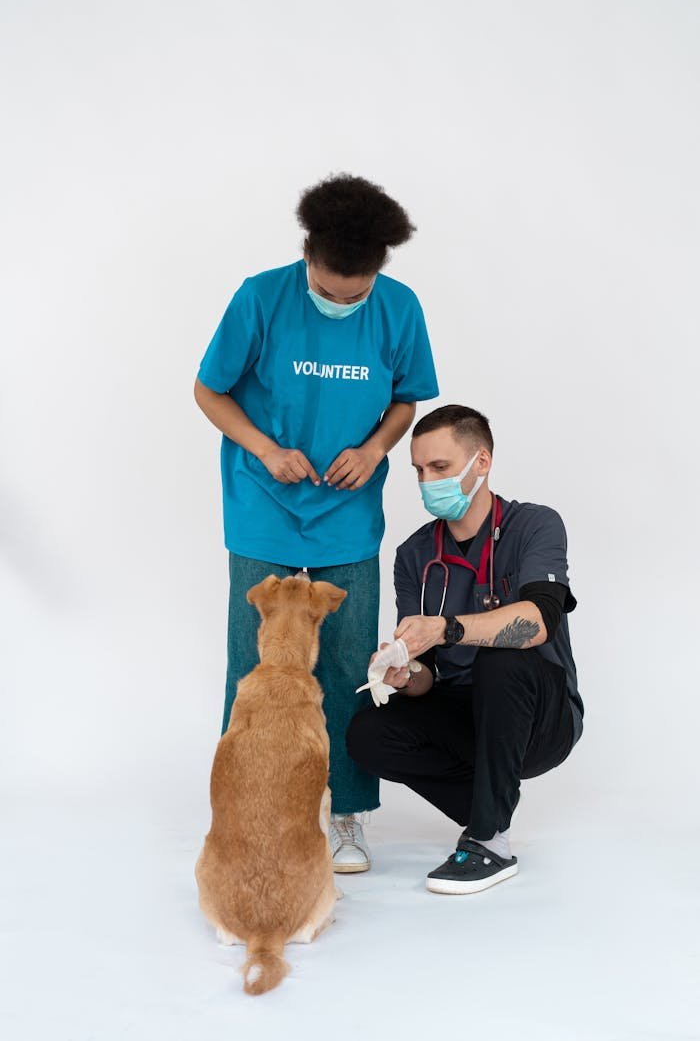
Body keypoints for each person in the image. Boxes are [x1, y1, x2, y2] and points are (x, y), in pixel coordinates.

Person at [194, 173, 439, 873]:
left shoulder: (399, 309)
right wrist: (266, 449)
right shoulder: (259, 297)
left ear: (378, 273)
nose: (341, 302)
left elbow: (406, 401)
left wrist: (374, 449)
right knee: (257, 667)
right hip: (262, 507)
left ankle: (347, 814)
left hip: (346, 515)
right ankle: (242, 815)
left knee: (346, 666)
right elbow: (208, 389)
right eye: (328, 290)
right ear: (307, 255)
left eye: (354, 293)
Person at [346, 404, 583, 893]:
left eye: (440, 468)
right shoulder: (415, 557)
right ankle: (488, 807)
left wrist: (447, 629)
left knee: (501, 653)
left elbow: (537, 624)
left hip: (541, 715)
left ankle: (490, 842)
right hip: (467, 715)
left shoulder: (536, 525)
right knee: (367, 732)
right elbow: (428, 673)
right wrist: (404, 674)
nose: (427, 481)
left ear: (482, 461)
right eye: (418, 470)